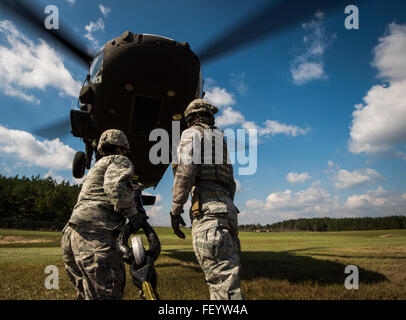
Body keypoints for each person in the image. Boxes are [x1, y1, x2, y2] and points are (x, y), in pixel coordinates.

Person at [170, 99, 244, 300]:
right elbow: (231, 182)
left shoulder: (191, 133)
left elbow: (185, 173)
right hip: (228, 211)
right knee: (230, 280)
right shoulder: (220, 140)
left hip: (209, 213)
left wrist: (176, 211)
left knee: (223, 285)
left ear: (191, 118)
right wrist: (225, 205)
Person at [61, 129, 143, 300]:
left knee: (86, 293)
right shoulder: (119, 160)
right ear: (123, 148)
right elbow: (115, 186)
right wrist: (133, 215)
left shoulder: (96, 168)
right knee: (107, 292)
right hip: (96, 233)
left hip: (72, 234)